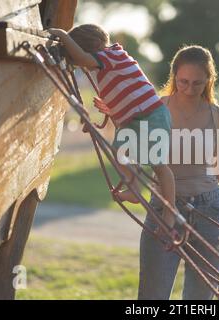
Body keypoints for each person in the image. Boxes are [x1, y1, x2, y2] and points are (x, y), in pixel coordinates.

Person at [48, 24, 176, 227]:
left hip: (151, 116)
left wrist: (63, 35)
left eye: (83, 59)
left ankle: (170, 211)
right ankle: (134, 187)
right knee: (119, 153)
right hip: (135, 118)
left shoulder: (110, 56)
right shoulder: (109, 62)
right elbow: (127, 90)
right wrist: (112, 108)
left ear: (96, 46)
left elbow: (83, 58)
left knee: (159, 166)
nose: (84, 66)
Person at [138, 45, 219, 300]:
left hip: (209, 211)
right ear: (173, 77)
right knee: (151, 296)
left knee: (200, 299)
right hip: (163, 208)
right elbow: (130, 141)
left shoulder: (218, 116)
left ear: (209, 80)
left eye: (197, 83)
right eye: (183, 82)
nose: (189, 89)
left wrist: (199, 190)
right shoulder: (156, 107)